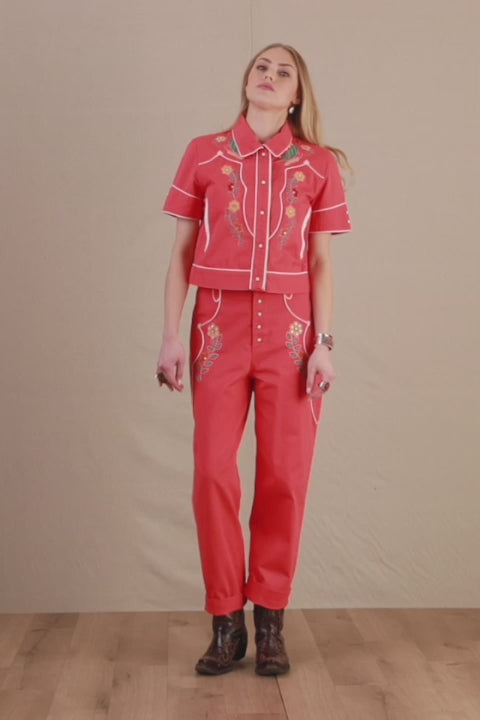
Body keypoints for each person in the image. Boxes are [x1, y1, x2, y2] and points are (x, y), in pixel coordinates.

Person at [156, 43, 353, 676]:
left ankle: (270, 622)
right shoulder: (204, 153)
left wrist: (323, 345)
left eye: (283, 72)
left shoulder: (317, 163)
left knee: (284, 476)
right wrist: (170, 336)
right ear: (247, 81)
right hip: (216, 326)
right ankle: (225, 622)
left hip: (291, 332)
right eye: (261, 67)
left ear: (296, 95)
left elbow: (320, 261)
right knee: (212, 473)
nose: (269, 76)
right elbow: (181, 252)